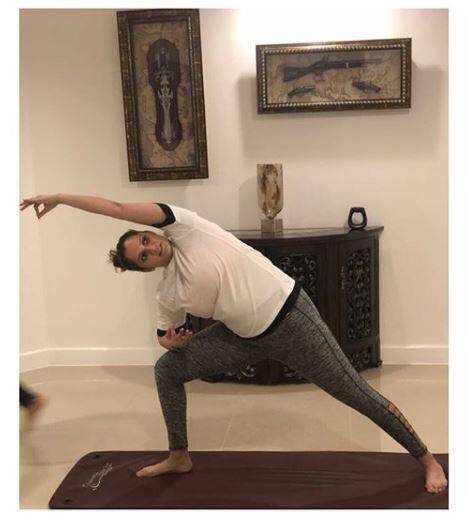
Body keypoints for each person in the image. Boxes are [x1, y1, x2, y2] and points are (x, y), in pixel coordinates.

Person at [20, 193, 448, 494]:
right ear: (145, 269)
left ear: (153, 232)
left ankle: (425, 458)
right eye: (142, 257)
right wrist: (172, 343)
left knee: (354, 392)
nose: (150, 249)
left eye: (145, 240)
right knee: (167, 370)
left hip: (291, 319)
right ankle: (179, 455)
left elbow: (116, 209)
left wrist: (60, 198)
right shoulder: (168, 292)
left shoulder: (187, 227)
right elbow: (164, 336)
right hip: (243, 337)